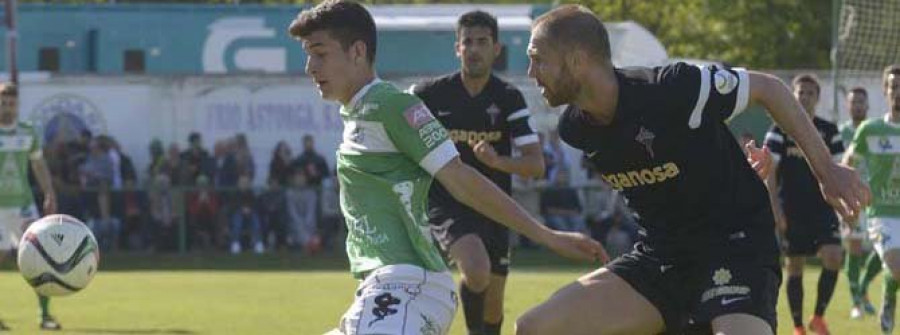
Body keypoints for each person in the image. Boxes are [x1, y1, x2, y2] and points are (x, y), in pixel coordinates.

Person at [514, 6, 869, 335]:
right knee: (533, 327)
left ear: (576, 60)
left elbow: (768, 88)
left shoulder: (671, 87)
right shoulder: (576, 129)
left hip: (734, 248)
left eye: (537, 60)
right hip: (661, 258)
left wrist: (827, 171)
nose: (531, 73)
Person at [287, 2, 604, 334]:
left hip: (408, 287)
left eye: (320, 53)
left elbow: (461, 179)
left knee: (487, 287)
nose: (310, 66)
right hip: (380, 289)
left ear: (357, 51)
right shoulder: (360, 112)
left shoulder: (394, 106)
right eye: (308, 55)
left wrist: (547, 236)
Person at [410, 10, 544, 335]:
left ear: (496, 49)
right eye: (467, 42)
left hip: (496, 206)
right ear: (457, 48)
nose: (474, 49)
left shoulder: (508, 98)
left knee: (493, 304)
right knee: (476, 269)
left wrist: (498, 162)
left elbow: (535, 165)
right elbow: (404, 142)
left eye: (482, 42)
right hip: (448, 202)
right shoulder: (429, 95)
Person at [763, 74, 845, 335]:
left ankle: (818, 317)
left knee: (833, 256)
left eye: (810, 93)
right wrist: (775, 209)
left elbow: (841, 167)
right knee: (794, 266)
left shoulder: (829, 130)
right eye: (800, 92)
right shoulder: (778, 131)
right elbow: (770, 172)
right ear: (793, 96)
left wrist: (843, 204)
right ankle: (798, 326)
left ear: (817, 98)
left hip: (823, 208)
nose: (805, 97)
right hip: (791, 210)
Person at [0, 83, 63, 330]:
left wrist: (49, 191)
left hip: (24, 206)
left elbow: (38, 165)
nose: (7, 106)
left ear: (17, 105)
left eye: (11, 102)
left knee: (39, 257)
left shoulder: (27, 132)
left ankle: (45, 315)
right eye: (3, 102)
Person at [845, 64, 900, 334]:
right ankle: (887, 299)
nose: (898, 92)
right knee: (897, 265)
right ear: (885, 90)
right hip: (882, 215)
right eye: (893, 87)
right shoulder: (870, 129)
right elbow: (848, 163)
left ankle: (888, 297)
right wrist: (852, 194)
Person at [840, 86, 881, 319]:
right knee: (854, 246)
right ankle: (856, 301)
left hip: (877, 200)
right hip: (851, 198)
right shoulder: (841, 132)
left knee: (881, 249)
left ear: (867, 106)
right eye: (853, 102)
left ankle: (864, 287)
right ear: (848, 105)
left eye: (861, 102)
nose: (857, 106)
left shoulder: (875, 131)